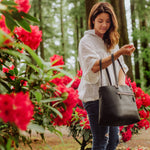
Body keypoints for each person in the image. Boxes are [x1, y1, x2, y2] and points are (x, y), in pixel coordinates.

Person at [78, 2, 135, 150]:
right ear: (93, 20)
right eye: (100, 21)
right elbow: (95, 66)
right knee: (101, 141)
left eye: (107, 21)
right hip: (94, 97)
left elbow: (122, 67)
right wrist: (118, 53)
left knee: (114, 140)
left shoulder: (111, 41)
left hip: (111, 96)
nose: (104, 25)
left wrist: (121, 86)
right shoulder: (86, 41)